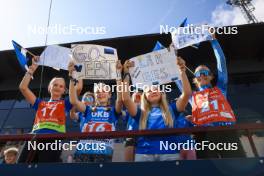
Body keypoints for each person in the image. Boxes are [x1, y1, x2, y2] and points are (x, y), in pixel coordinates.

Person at [122, 57, 192, 162]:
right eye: (149, 90)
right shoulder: (140, 112)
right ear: (144, 96)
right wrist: (126, 74)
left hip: (170, 154)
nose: (153, 91)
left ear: (161, 93)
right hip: (143, 154)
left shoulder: (172, 109)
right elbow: (126, 99)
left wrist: (182, 70)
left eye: (155, 88)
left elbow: (186, 94)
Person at [189, 37, 245, 158]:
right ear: (195, 79)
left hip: (227, 132)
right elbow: (177, 78)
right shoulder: (191, 96)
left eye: (206, 72)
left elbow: (222, 63)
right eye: (199, 73)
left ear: (211, 76)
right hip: (203, 135)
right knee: (208, 169)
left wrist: (214, 41)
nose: (202, 75)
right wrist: (170, 55)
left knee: (237, 165)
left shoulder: (220, 88)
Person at [18, 56, 72, 163]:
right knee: (21, 168)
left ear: (64, 91)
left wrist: (73, 74)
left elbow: (78, 89)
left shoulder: (66, 103)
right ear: (49, 87)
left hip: (53, 140)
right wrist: (32, 69)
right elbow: (23, 88)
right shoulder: (40, 103)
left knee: (46, 170)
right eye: (55, 84)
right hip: (34, 138)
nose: (57, 87)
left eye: (61, 86)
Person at [68, 60, 123, 162]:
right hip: (83, 151)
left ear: (110, 94)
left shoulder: (113, 111)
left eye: (104, 91)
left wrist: (118, 75)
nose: (101, 93)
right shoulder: (88, 110)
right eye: (98, 92)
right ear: (95, 95)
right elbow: (73, 100)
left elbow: (120, 99)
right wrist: (72, 76)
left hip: (103, 152)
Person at [124, 91, 141, 162]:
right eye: (134, 95)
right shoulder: (128, 110)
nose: (137, 95)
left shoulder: (146, 109)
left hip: (142, 136)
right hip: (130, 136)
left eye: (139, 95)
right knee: (129, 164)